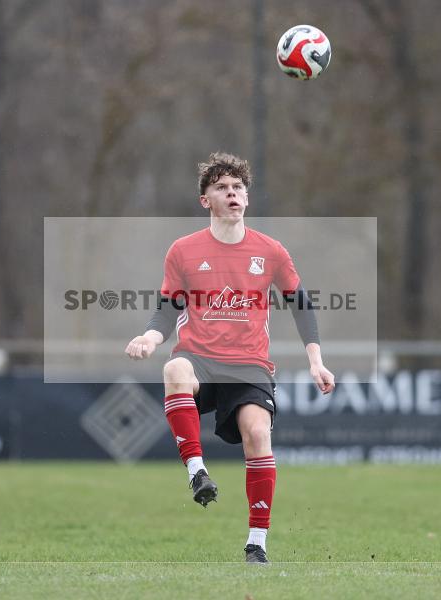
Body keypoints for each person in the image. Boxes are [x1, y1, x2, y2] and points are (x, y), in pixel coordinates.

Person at [125, 152, 335, 564]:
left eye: (238, 187)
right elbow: (167, 307)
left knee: (258, 435)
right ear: (206, 201)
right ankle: (197, 472)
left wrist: (316, 360)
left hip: (248, 365)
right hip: (199, 357)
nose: (232, 193)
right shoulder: (183, 251)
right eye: (222, 187)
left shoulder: (270, 251)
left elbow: (301, 304)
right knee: (174, 367)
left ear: (247, 198)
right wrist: (149, 337)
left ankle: (257, 541)